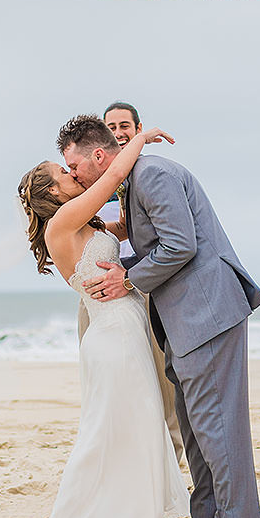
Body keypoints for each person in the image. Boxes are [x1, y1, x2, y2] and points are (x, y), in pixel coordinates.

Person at [62, 115, 260, 518]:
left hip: (207, 313)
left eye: (74, 166)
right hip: (182, 319)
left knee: (218, 424)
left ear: (99, 156)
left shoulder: (152, 175)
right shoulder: (134, 184)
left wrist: (127, 279)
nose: (73, 176)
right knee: (196, 426)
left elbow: (181, 246)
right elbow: (162, 246)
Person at [0, 126, 189, 518]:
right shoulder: (62, 223)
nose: (70, 171)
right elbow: (113, 174)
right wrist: (141, 138)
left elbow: (127, 223)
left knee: (136, 429)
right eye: (61, 170)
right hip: (113, 339)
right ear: (50, 190)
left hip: (126, 333)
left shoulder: (84, 222)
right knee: (111, 432)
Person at [100, 100, 185, 465]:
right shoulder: (109, 181)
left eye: (125, 126)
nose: (118, 132)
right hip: (113, 292)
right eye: (111, 127)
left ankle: (172, 453)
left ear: (137, 129)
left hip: (144, 284)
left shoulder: (149, 174)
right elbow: (124, 228)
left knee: (162, 377)